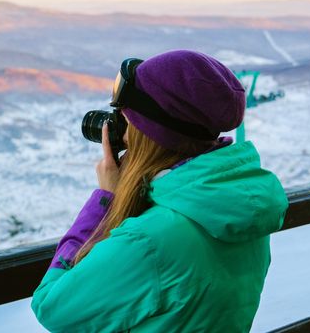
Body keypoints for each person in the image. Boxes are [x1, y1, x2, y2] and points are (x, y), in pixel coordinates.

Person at [31, 50, 288, 332]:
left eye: (127, 121)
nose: (122, 134)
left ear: (148, 135)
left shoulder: (148, 241)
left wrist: (105, 202)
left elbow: (51, 307)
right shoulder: (242, 210)